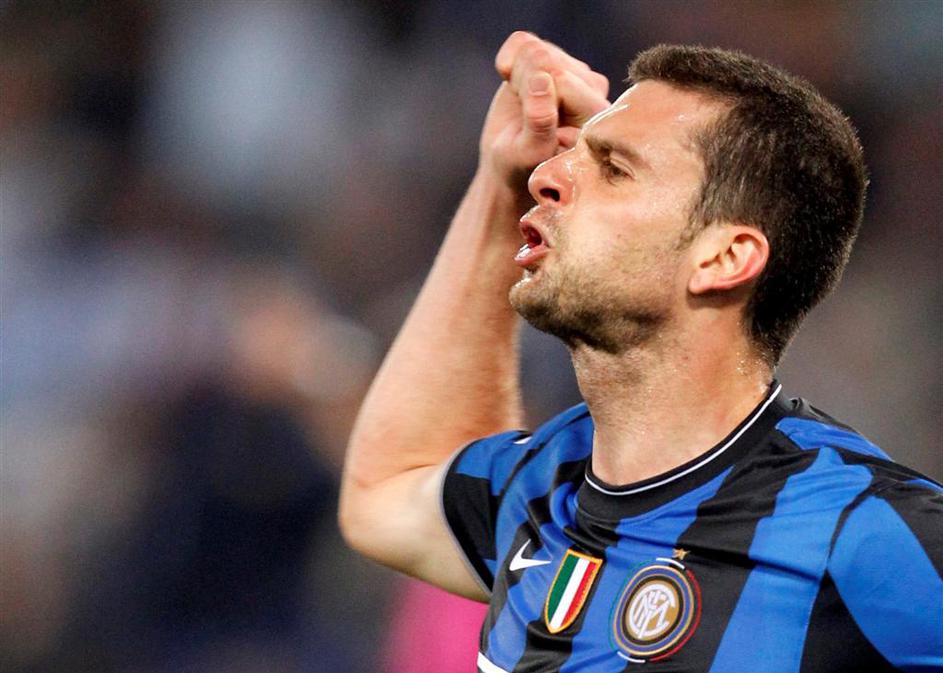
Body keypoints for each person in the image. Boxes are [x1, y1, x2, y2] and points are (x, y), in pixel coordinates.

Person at [340, 32, 943, 671]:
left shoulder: (860, 526)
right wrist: (500, 185)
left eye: (614, 169)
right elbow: (386, 491)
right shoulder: (547, 483)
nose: (545, 175)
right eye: (568, 156)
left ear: (724, 257)